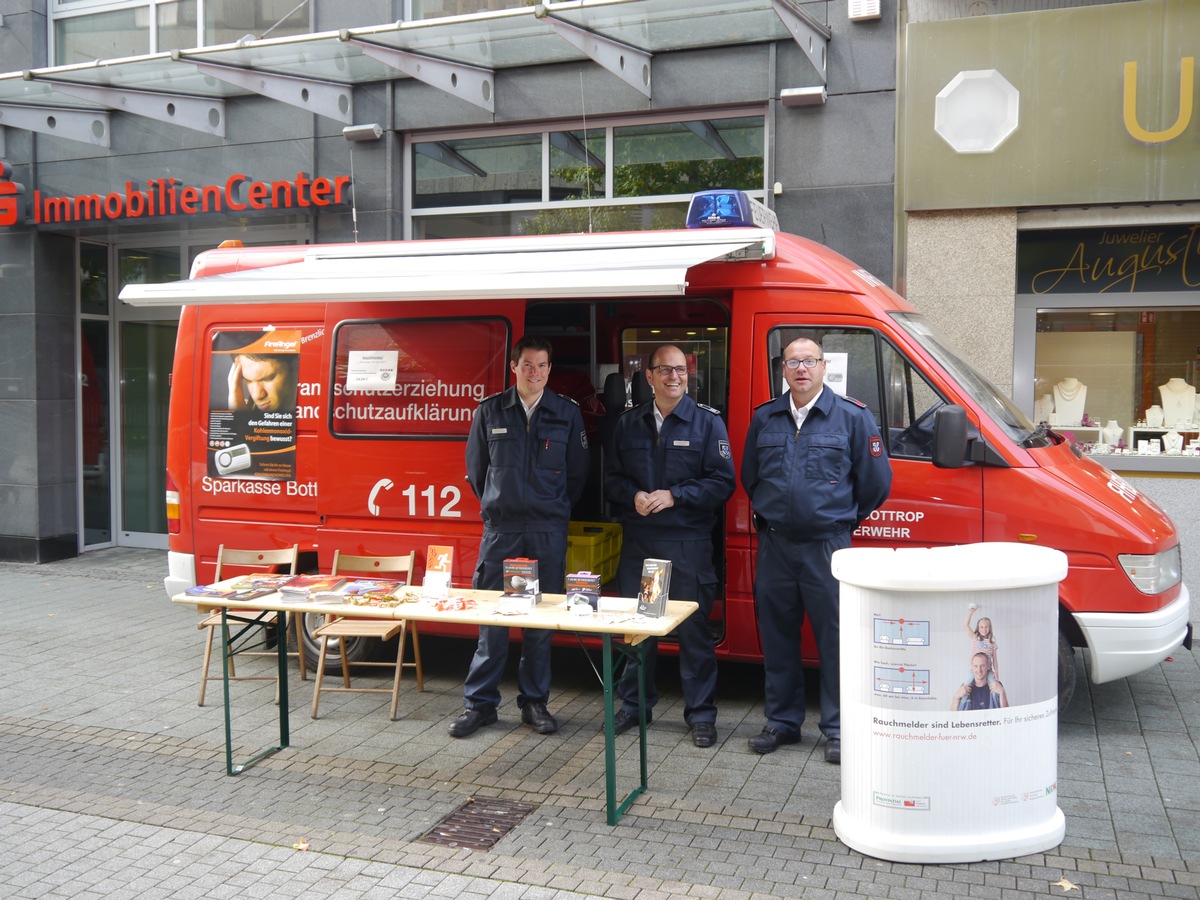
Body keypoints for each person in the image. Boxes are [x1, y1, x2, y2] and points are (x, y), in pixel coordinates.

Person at [740, 336, 892, 763]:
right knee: (778, 636)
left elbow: (877, 484)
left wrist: (840, 520)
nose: (801, 369)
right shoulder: (765, 419)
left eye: (809, 361)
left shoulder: (852, 418)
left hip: (828, 547)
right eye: (793, 362)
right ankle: (783, 722)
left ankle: (839, 729)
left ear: (825, 367)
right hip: (776, 545)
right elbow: (751, 477)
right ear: (782, 369)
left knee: (836, 639)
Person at [449, 336, 590, 738]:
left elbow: (577, 475)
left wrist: (550, 508)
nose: (536, 373)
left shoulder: (566, 413)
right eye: (528, 365)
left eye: (543, 365)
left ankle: (534, 703)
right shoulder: (490, 410)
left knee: (539, 624)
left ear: (550, 369)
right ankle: (479, 705)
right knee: (492, 619)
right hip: (503, 533)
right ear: (514, 367)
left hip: (546, 532)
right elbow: (478, 473)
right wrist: (503, 505)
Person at [604, 345, 736, 748]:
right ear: (649, 376)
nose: (673, 377)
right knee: (640, 630)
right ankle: (633, 706)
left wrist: (676, 495)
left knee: (694, 632)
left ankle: (700, 715)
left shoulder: (708, 424)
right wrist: (633, 497)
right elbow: (610, 480)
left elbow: (722, 482)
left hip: (687, 545)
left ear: (688, 374)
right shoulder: (628, 425)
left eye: (680, 370)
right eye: (664, 370)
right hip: (643, 546)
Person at [227, 353, 298, 413]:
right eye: (248, 380)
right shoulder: (243, 410)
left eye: (268, 378)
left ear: (295, 367)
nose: (256, 396)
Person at [963, 604, 998, 684]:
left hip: (988, 669)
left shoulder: (992, 642)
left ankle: (993, 696)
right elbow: (966, 625)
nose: (984, 629)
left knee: (995, 685)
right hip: (974, 669)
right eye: (981, 627)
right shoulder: (976, 638)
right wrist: (970, 612)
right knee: (966, 685)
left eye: (986, 627)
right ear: (978, 628)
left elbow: (995, 660)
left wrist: (996, 671)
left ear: (990, 627)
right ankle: (965, 697)